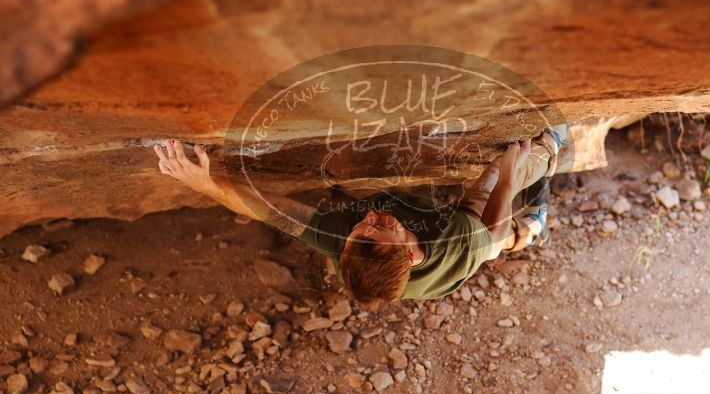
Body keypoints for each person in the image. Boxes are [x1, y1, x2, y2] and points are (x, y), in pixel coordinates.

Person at [153, 126, 566, 309]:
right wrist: (515, 166)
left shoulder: (343, 240)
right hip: (470, 238)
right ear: (407, 253)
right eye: (376, 232)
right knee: (495, 183)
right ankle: (536, 218)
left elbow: (265, 208)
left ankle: (532, 222)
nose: (368, 220)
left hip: (438, 238)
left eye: (358, 234)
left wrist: (203, 183)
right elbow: (491, 228)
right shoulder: (454, 243)